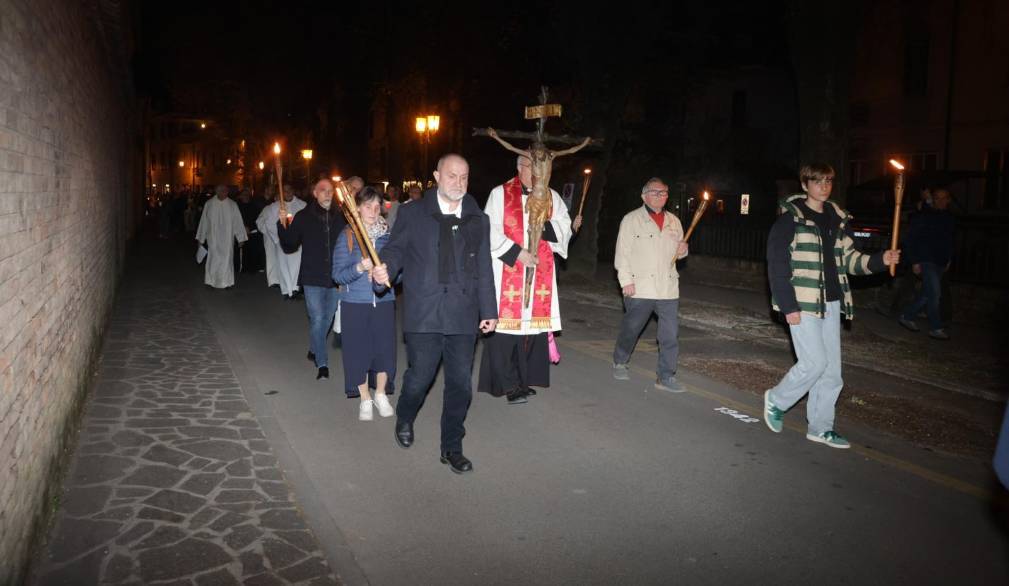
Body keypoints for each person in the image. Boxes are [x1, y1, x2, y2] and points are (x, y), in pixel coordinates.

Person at [372, 154, 497, 474]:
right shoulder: (414, 214)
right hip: (424, 310)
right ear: (437, 176)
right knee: (419, 378)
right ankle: (405, 415)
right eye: (452, 176)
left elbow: (484, 266)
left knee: (460, 384)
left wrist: (489, 309)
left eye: (464, 177)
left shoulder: (477, 219)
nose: (459, 183)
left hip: (462, 312)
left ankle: (452, 447)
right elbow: (396, 249)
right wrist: (384, 268)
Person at [764, 163, 900, 449]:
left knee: (832, 372)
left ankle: (820, 427)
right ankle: (776, 399)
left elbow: (851, 261)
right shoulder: (790, 220)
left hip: (832, 302)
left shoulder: (837, 220)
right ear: (805, 185)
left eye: (828, 181)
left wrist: (880, 260)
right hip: (802, 301)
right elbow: (777, 266)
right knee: (814, 363)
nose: (824, 186)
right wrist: (788, 305)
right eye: (817, 181)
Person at [479, 155, 572, 404]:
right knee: (505, 334)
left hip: (540, 273)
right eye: (531, 166)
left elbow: (565, 225)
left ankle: (522, 380)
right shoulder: (500, 194)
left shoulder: (552, 197)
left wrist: (543, 225)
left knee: (529, 332)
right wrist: (517, 253)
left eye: (541, 166)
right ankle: (508, 384)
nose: (537, 171)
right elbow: (488, 228)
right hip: (508, 272)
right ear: (519, 167)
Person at [612, 178, 689, 392]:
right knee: (632, 329)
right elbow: (622, 253)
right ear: (644, 195)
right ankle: (620, 360)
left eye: (664, 192)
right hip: (640, 286)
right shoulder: (631, 220)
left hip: (667, 288)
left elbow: (679, 254)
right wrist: (626, 281)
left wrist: (683, 250)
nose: (661, 196)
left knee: (670, 335)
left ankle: (665, 376)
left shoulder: (674, 221)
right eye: (655, 192)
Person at [332, 186, 397, 421]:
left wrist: (387, 273)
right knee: (358, 352)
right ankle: (364, 398)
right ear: (357, 208)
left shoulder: (388, 237)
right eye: (368, 206)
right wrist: (360, 267)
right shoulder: (347, 236)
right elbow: (337, 275)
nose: (373, 210)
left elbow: (399, 273)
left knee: (383, 350)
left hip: (384, 302)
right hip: (354, 302)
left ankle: (380, 393)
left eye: (377, 206)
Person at [278, 178, 347, 379]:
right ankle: (322, 364)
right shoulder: (303, 216)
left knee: (328, 317)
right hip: (312, 276)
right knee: (317, 318)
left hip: (335, 277)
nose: (328, 193)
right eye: (323, 190)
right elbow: (289, 244)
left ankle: (314, 347)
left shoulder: (342, 216)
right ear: (315, 193)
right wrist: (283, 224)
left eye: (330, 190)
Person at [897, 187, 955, 340]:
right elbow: (910, 239)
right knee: (935, 294)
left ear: (948, 200)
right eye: (937, 198)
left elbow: (949, 239)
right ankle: (936, 328)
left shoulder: (948, 217)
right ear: (932, 200)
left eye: (944, 198)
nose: (941, 201)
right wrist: (915, 261)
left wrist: (949, 258)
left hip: (940, 262)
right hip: (926, 260)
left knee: (927, 295)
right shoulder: (924, 215)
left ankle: (907, 316)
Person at [257, 184, 308, 299]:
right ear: (281, 192)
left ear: (293, 191)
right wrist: (278, 239)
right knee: (283, 266)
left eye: (289, 190)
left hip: (298, 243)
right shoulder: (274, 207)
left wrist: (301, 238)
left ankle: (295, 289)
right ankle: (286, 290)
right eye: (284, 191)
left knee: (296, 266)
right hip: (282, 242)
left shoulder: (303, 205)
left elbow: (307, 223)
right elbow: (270, 223)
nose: (287, 192)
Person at [196, 184, 248, 289]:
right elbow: (204, 222)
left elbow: (237, 221)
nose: (224, 193)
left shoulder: (232, 205)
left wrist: (240, 237)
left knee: (227, 259)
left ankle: (227, 282)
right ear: (217, 191)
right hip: (213, 237)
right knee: (213, 258)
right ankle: (211, 281)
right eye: (222, 191)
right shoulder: (209, 204)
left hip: (227, 238)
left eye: (225, 191)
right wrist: (201, 238)